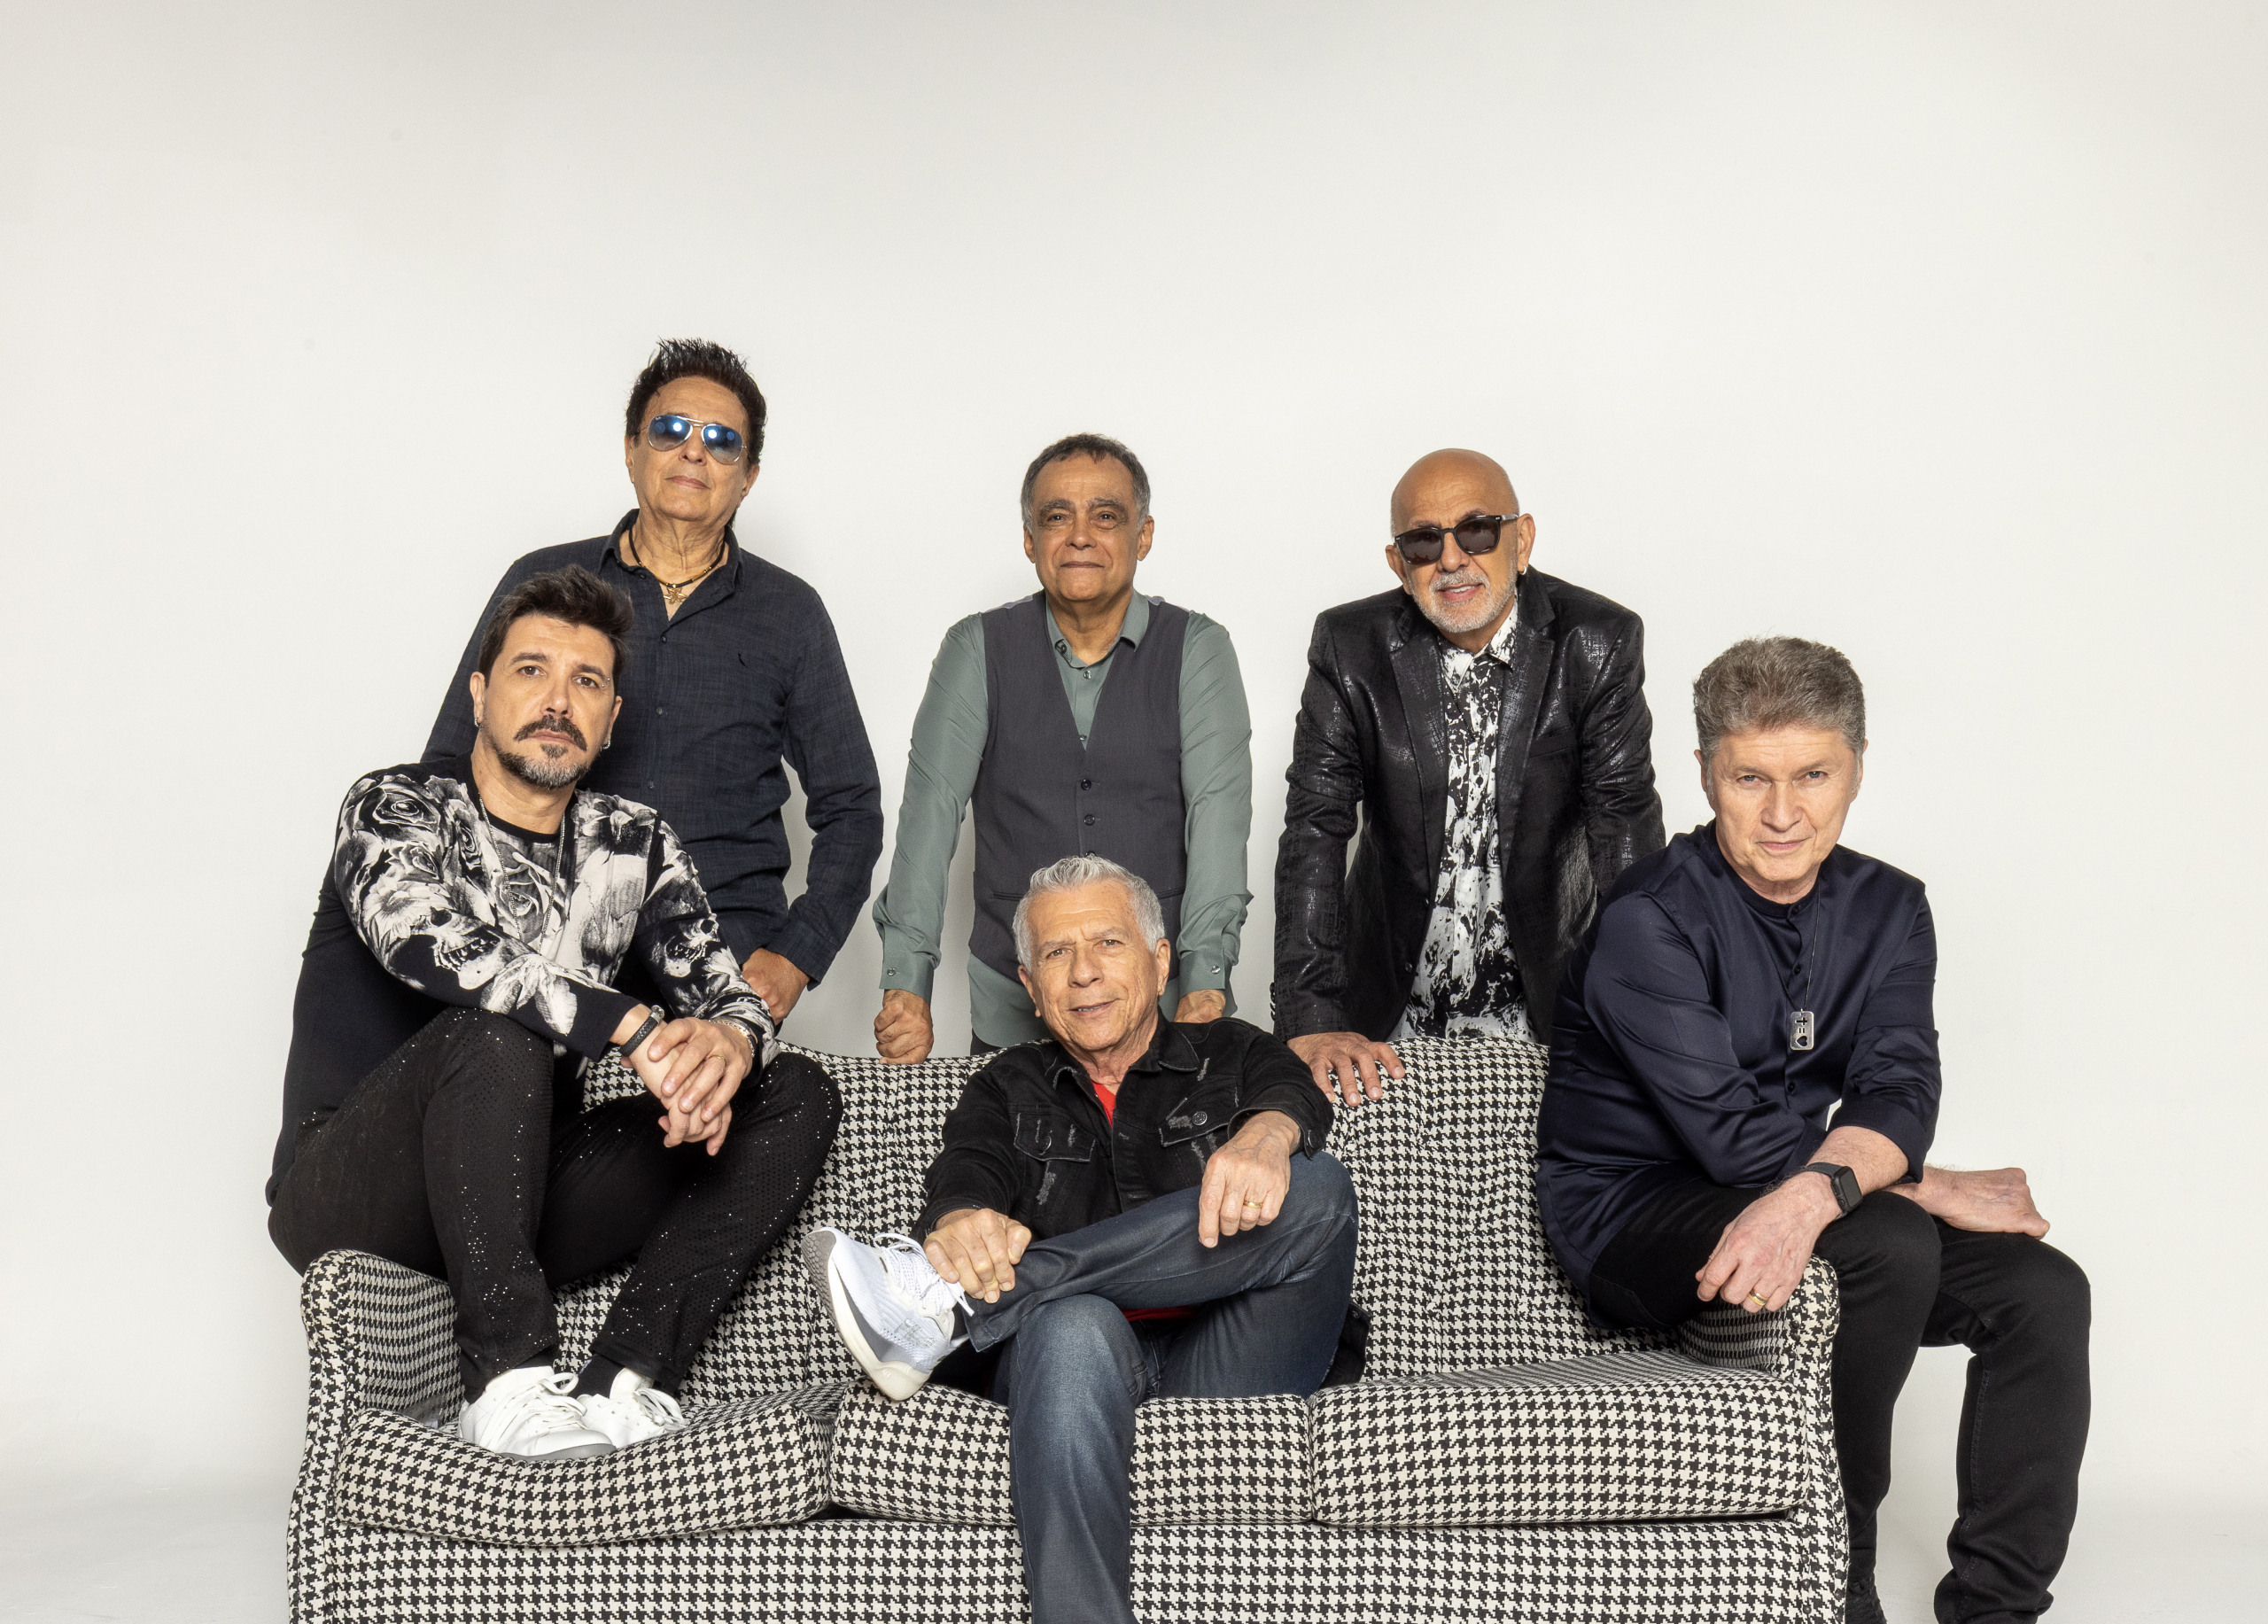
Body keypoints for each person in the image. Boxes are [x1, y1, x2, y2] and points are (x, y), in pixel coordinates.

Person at [1535, 636, 2099, 1624]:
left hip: (1815, 1200)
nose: (1783, 812)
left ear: (1857, 767)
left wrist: (1822, 1192)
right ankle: (1831, 1569)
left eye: (1812, 775)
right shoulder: (1647, 917)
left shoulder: (1892, 908)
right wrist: (1913, 1181)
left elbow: (1900, 1087)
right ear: (1706, 773)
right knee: (1884, 1237)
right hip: (1634, 1218)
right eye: (1751, 777)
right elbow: (1729, 1133)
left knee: (2043, 1290)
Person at [808, 856, 1352, 1624]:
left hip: (1227, 1357)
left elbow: (1292, 1097)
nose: (1084, 971)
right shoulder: (1005, 1086)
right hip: (1080, 1376)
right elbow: (965, 1177)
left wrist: (1267, 1137)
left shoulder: (1233, 1053)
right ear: (1029, 983)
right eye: (1056, 952)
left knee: (1316, 1189)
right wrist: (958, 1227)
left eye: (1107, 942)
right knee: (1068, 1326)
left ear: (1158, 959)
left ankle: (935, 1306)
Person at [272, 567, 841, 1459]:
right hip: (354, 1189)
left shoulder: (632, 843)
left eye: (587, 681)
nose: (558, 701)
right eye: (531, 670)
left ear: (612, 719)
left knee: (794, 1088)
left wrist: (726, 1045)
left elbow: (724, 988)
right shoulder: (397, 806)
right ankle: (505, 1381)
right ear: (479, 694)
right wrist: (633, 1027)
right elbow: (426, 941)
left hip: (522, 1187)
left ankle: (625, 1381)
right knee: (499, 1030)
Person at [423, 338, 883, 1029]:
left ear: (749, 476)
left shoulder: (791, 614)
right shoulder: (543, 585)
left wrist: (797, 952)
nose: (694, 452)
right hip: (546, 947)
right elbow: (447, 770)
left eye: (722, 441)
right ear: (631, 450)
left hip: (720, 961)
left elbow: (852, 806)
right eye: (670, 430)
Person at [1272, 447, 1662, 1103]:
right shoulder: (1351, 647)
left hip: (1551, 1014)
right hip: (1385, 1021)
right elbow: (1315, 829)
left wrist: (1645, 1014)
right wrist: (1312, 1020)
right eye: (1424, 542)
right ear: (1399, 565)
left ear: (1521, 539)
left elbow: (1624, 833)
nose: (1452, 559)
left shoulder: (1597, 641)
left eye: (1477, 530)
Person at [871, 433, 1252, 1058]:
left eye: (1105, 516)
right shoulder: (976, 648)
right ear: (1030, 540)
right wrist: (905, 986)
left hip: (1163, 1005)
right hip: (1013, 998)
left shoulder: (1197, 649)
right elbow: (928, 819)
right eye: (1056, 517)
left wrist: (1205, 980)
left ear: (1143, 535)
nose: (1079, 536)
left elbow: (1219, 820)